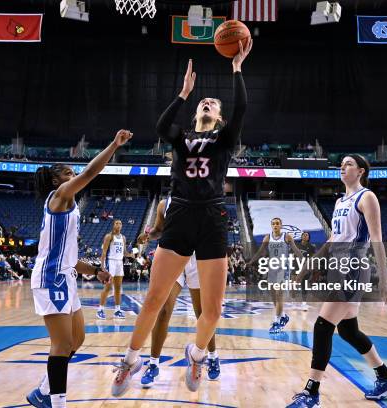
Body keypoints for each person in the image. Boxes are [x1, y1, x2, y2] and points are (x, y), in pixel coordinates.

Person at [111, 39, 252, 397]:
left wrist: (236, 69)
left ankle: (198, 354)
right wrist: (184, 93)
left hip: (212, 217)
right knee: (154, 299)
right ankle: (130, 361)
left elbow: (242, 109)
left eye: (213, 103)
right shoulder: (181, 139)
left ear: (218, 117)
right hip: (179, 216)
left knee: (214, 309)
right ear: (196, 113)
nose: (208, 102)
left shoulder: (224, 139)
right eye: (204, 102)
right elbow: (161, 127)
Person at [25, 130, 131, 408]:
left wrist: (95, 270)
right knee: (60, 345)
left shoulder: (71, 209)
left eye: (73, 173)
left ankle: (43, 391)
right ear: (57, 180)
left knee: (77, 339)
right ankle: (56, 403)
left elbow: (70, 258)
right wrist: (114, 145)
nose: (74, 177)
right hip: (50, 278)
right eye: (69, 173)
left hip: (67, 276)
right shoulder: (58, 196)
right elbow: (90, 174)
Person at [288, 155, 387, 408]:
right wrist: (305, 268)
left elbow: (376, 239)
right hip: (339, 267)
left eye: (349, 163)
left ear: (360, 171)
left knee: (322, 325)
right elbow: (332, 240)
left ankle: (311, 393)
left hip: (353, 266)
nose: (343, 166)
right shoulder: (340, 201)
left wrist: (384, 280)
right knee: (348, 330)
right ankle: (386, 377)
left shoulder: (367, 197)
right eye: (341, 163)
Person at [139, 197, 221, 388]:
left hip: (197, 258)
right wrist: (148, 235)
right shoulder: (164, 204)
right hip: (171, 256)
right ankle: (153, 364)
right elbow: (159, 230)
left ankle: (212, 356)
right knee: (163, 311)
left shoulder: (204, 198)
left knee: (203, 313)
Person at [248, 217, 302, 333]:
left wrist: (305, 260)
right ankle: (283, 316)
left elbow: (296, 250)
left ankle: (277, 322)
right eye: (273, 224)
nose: (275, 225)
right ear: (271, 226)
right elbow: (260, 252)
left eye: (277, 223)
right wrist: (251, 262)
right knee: (273, 295)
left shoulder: (287, 236)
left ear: (281, 225)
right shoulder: (267, 237)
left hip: (284, 268)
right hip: (272, 267)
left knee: (279, 295)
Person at [96, 219, 134, 319]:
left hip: (119, 263)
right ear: (113, 225)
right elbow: (104, 252)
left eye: (120, 223)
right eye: (117, 223)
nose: (119, 225)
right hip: (111, 262)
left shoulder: (123, 237)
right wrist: (102, 266)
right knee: (108, 287)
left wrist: (130, 255)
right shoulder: (109, 236)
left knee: (118, 288)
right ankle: (100, 309)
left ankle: (117, 310)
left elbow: (124, 252)